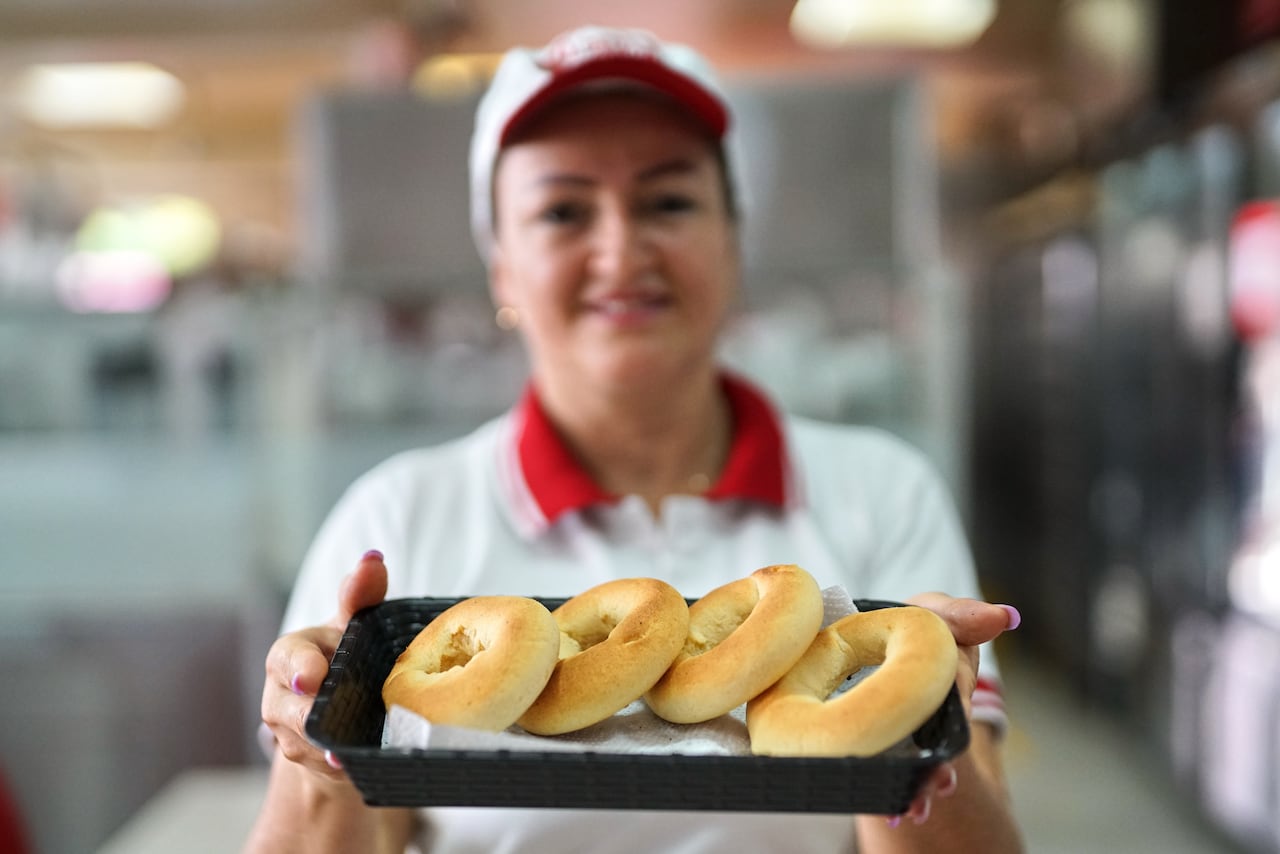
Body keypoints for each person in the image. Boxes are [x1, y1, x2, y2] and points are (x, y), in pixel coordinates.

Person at [245, 24, 1025, 854]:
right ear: (503, 267)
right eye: (563, 211)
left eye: (668, 202)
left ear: (734, 240)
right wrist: (320, 741)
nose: (620, 251)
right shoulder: (399, 518)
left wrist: (909, 735)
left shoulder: (880, 491)